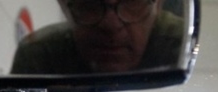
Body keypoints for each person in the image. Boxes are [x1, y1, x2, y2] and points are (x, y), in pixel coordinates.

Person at [11, 0, 185, 74]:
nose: (111, 25)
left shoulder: (185, 46)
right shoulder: (38, 55)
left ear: (158, 4)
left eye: (132, 2)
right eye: (90, 3)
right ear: (64, 6)